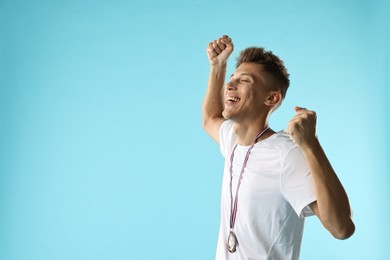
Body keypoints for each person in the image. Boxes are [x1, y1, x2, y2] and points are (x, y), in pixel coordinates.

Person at [202, 35, 355, 260]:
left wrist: (311, 144)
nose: (230, 85)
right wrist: (218, 66)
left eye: (244, 81)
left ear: (272, 98)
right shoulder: (233, 139)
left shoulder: (286, 154)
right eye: (232, 78)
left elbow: (341, 228)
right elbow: (210, 119)